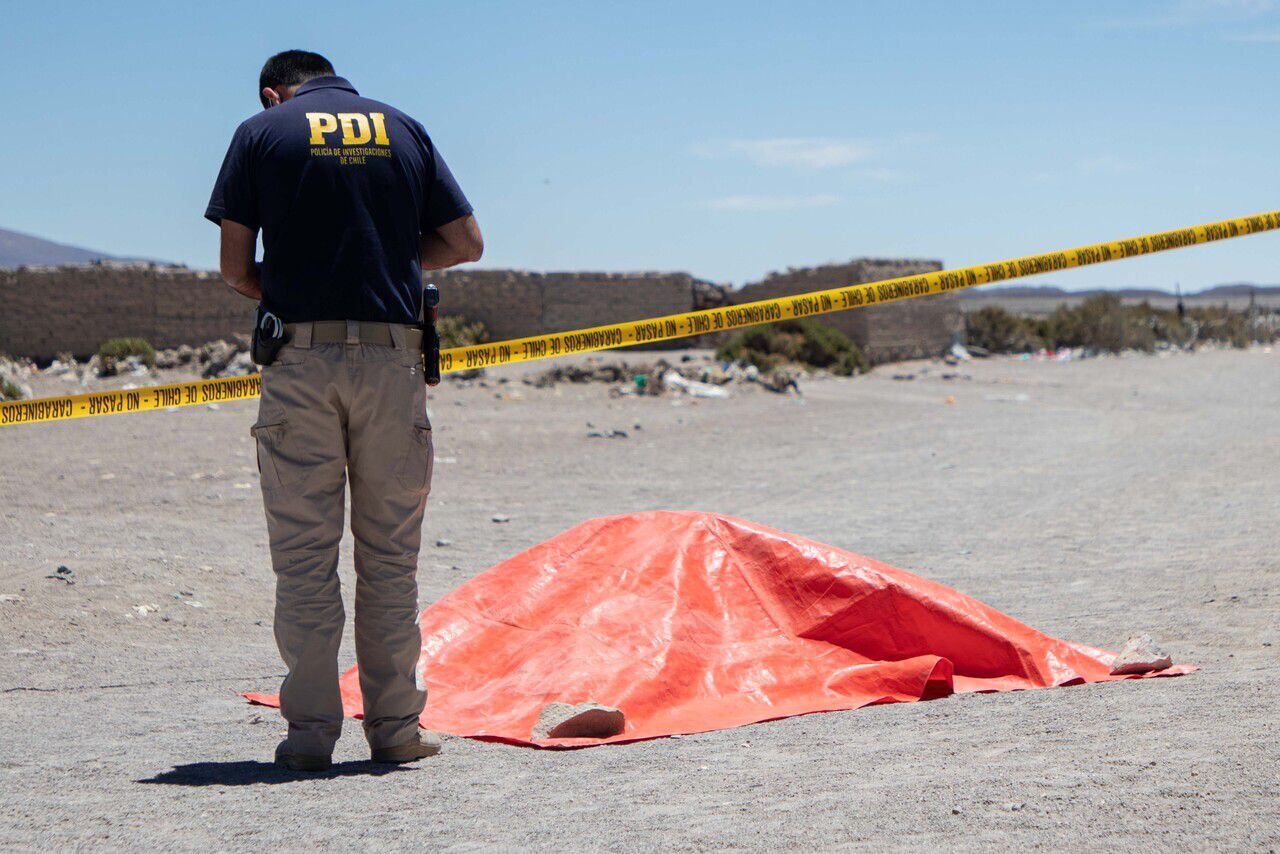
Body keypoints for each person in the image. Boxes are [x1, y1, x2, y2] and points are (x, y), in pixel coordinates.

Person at [205, 49, 483, 772]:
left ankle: (309, 738)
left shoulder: (262, 133)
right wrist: (390, 262)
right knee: (390, 559)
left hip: (300, 359)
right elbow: (466, 242)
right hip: (394, 360)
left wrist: (298, 277)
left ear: (275, 92)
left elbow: (236, 269)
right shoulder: (404, 129)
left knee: (304, 560)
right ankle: (395, 730)